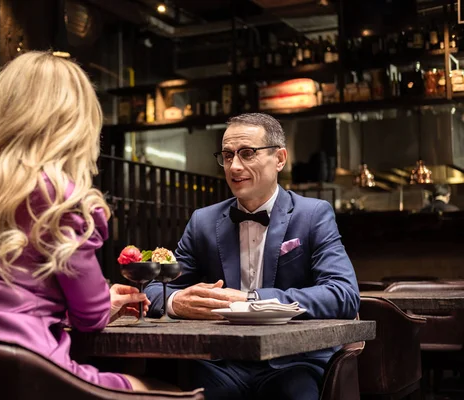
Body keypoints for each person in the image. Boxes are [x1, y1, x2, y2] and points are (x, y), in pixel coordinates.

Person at [0, 51, 174, 392]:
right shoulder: (60, 199)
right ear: (74, 123)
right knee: (158, 388)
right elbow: (90, 319)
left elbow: (1, 305)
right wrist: (102, 302)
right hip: (34, 380)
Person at [145, 113, 360, 400]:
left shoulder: (313, 215)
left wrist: (252, 302)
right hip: (220, 363)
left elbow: (342, 294)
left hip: (293, 361)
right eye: (227, 155)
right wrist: (175, 302)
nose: (235, 166)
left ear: (279, 158)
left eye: (247, 153)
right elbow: (154, 290)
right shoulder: (203, 222)